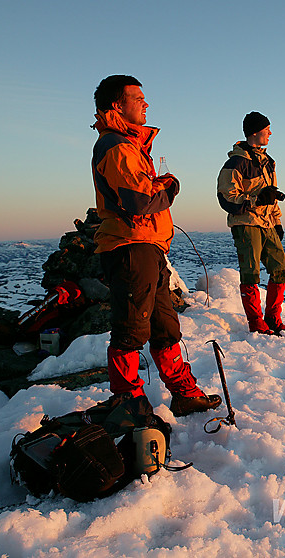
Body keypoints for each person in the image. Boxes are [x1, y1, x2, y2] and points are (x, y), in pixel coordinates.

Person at [91, 75, 221, 417]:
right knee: (131, 330)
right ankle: (129, 406)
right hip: (130, 246)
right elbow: (139, 200)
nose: (146, 104)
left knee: (164, 326)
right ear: (118, 105)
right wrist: (170, 187)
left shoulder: (130, 145)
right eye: (139, 98)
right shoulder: (117, 145)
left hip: (147, 246)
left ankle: (184, 393)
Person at [217, 112, 285, 335]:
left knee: (281, 270)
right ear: (255, 132)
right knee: (250, 274)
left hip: (267, 223)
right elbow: (226, 197)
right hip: (247, 224)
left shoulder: (267, 161)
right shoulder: (236, 162)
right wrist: (256, 199)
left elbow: (271, 195)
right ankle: (255, 322)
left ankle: (272, 317)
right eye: (267, 129)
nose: (270, 133)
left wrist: (277, 220)